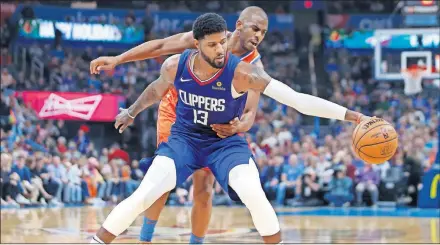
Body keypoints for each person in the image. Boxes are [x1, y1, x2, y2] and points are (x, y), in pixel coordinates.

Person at [90, 13, 370, 244]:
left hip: (223, 139)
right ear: (198, 44)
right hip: (184, 130)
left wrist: (355, 116)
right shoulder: (179, 61)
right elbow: (156, 80)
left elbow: (291, 101)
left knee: (239, 191)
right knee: (150, 190)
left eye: (222, 43)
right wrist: (120, 72)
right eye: (214, 45)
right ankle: (126, 239)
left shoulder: (248, 69)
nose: (221, 49)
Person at [91, 6, 267, 244]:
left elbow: (249, 114)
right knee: (162, 180)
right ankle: (145, 239)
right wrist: (118, 60)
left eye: (263, 32)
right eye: (255, 29)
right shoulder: (207, 37)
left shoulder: (254, 67)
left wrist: (237, 126)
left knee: (204, 190)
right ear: (239, 26)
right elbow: (160, 46)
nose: (258, 36)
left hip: (213, 121)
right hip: (177, 111)